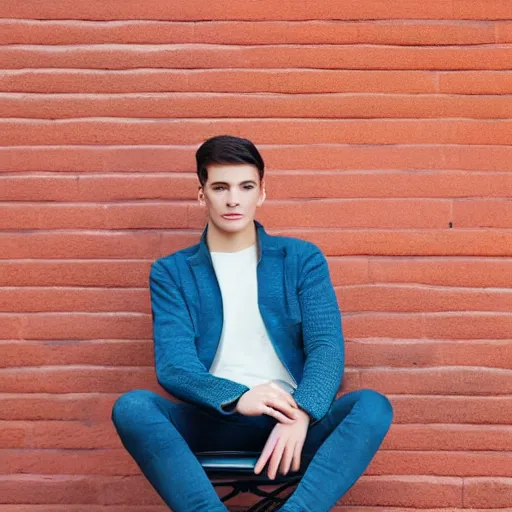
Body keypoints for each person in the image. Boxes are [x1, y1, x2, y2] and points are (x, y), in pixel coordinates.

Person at [111, 135, 393, 511]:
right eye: (220, 187)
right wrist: (238, 396)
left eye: (245, 187)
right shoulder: (172, 272)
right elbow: (175, 366)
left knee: (372, 406)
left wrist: (303, 413)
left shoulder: (301, 259)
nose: (233, 200)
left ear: (261, 193)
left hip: (291, 422)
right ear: (202, 195)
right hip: (214, 420)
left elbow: (326, 348)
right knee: (132, 407)